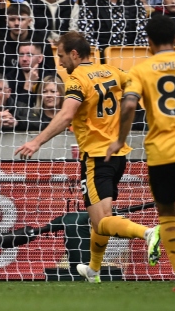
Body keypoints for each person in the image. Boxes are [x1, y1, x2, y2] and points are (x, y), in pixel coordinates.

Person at [13, 31, 159, 280]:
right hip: (119, 155)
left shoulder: (77, 79)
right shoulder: (111, 71)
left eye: (61, 56)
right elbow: (139, 84)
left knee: (102, 221)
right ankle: (93, 269)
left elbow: (67, 115)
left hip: (96, 157)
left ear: (74, 54)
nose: (59, 63)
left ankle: (147, 233)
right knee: (98, 219)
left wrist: (36, 141)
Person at [100, 14, 175, 290]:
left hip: (160, 153)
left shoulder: (142, 70)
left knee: (167, 216)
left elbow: (129, 106)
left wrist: (119, 140)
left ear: (149, 43)